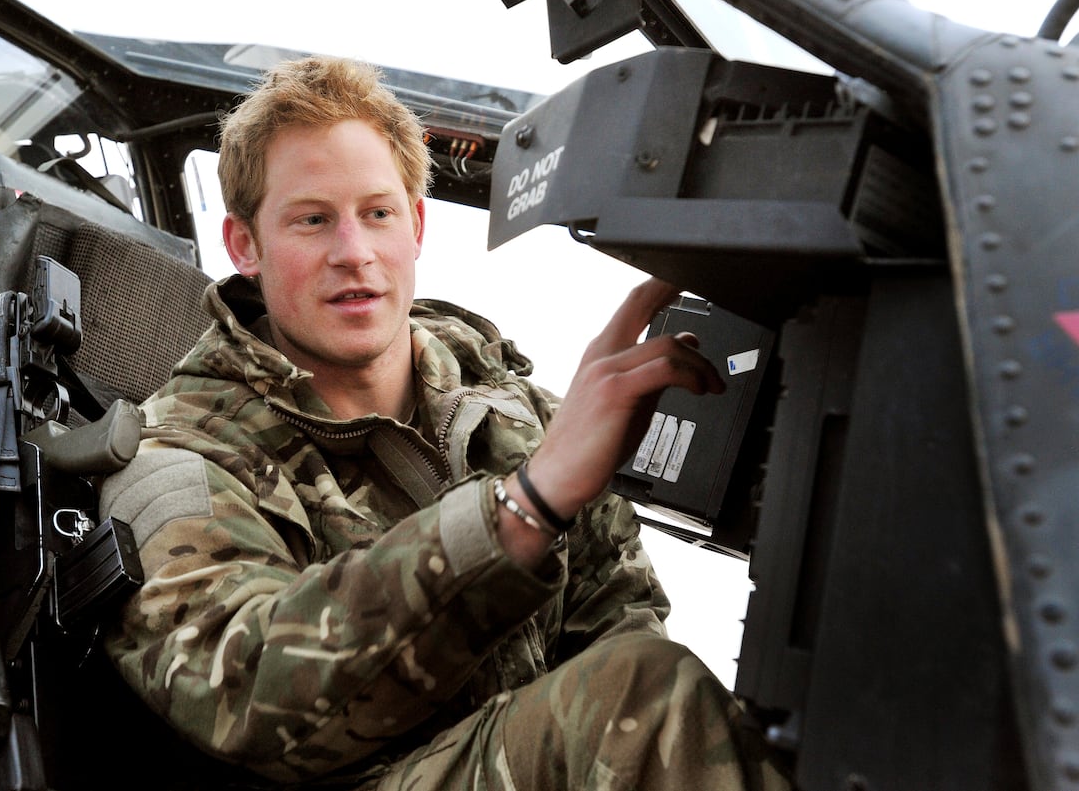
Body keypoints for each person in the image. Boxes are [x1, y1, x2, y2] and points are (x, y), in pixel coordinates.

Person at [98, 55, 791, 790]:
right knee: (637, 696)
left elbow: (618, 618)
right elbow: (241, 694)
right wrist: (520, 512)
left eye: (377, 212)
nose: (354, 253)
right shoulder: (176, 458)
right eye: (311, 220)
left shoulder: (507, 404)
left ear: (417, 224)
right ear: (245, 246)